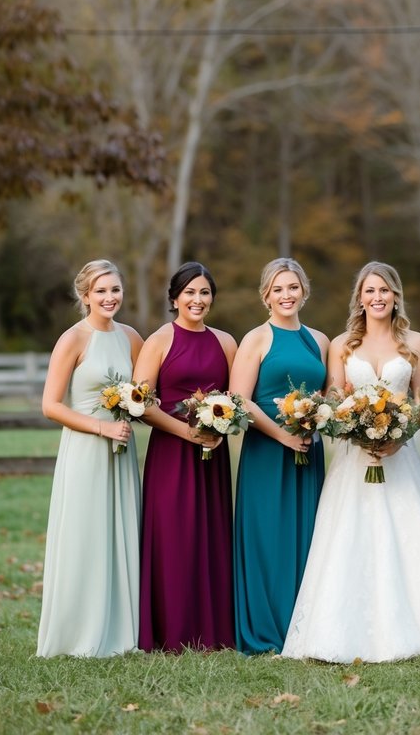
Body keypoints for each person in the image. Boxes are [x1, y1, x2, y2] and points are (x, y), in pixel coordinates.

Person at [281, 262, 420, 662]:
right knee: (347, 536)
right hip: (352, 457)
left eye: (385, 290)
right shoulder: (342, 343)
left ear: (396, 295)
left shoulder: (414, 341)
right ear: (360, 297)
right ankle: (336, 634)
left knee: (412, 537)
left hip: (402, 457)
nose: (377, 297)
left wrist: (400, 436)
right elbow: (333, 398)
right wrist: (354, 428)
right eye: (370, 291)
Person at [37, 260, 142, 657]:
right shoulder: (73, 339)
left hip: (122, 448)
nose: (109, 297)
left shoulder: (131, 337)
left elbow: (145, 391)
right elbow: (50, 405)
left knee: (120, 533)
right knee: (86, 534)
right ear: (85, 296)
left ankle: (122, 628)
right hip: (86, 447)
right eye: (100, 291)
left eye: (115, 289)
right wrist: (101, 428)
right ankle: (78, 632)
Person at [230, 258, 328, 653]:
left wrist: (313, 418)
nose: (286, 295)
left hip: (308, 451)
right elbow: (239, 399)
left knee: (307, 537)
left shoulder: (319, 340)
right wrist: (281, 435)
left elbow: (328, 394)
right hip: (267, 455)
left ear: (304, 291)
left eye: (292, 287)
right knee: (267, 536)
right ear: (266, 295)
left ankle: (303, 626)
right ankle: (265, 629)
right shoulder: (256, 338)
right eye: (277, 289)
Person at [137, 261, 237, 652]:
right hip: (172, 454)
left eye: (205, 293)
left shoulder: (226, 342)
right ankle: (172, 630)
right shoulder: (159, 340)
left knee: (210, 537)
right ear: (175, 297)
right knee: (173, 537)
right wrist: (188, 433)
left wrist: (221, 428)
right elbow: (141, 404)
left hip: (213, 454)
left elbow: (235, 398)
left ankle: (212, 630)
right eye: (190, 292)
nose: (197, 300)